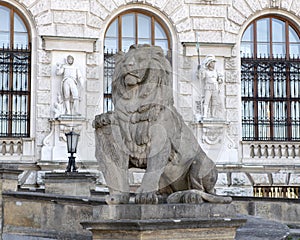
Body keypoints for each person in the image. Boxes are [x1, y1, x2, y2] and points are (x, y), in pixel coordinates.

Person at [200, 54, 224, 119]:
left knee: (214, 102)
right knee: (206, 101)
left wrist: (220, 79)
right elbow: (201, 77)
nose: (213, 63)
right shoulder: (205, 71)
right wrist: (201, 69)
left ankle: (213, 115)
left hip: (215, 87)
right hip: (208, 87)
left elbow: (220, 79)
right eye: (212, 62)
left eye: (214, 62)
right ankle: (204, 115)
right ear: (209, 63)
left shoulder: (216, 71)